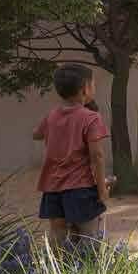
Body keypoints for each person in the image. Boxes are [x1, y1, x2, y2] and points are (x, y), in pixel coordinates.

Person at [33, 64, 110, 252]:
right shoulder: (91, 118)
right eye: (93, 85)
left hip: (52, 187)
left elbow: (36, 134)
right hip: (81, 188)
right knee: (88, 235)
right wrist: (102, 190)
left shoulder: (52, 116)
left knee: (57, 233)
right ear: (85, 88)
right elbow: (97, 156)